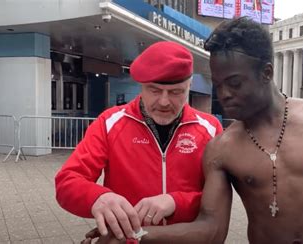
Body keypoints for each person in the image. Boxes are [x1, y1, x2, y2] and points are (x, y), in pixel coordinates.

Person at [87, 17, 303, 244]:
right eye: (218, 85)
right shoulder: (222, 147)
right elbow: (212, 229)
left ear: (266, 73)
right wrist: (133, 234)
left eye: (234, 83)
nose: (224, 94)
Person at [55, 41, 223, 241]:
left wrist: (176, 202)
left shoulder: (211, 129)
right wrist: (98, 198)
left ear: (189, 86)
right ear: (141, 86)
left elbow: (218, 199)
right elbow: (68, 181)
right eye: (154, 90)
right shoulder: (109, 123)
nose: (163, 101)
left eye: (176, 92)